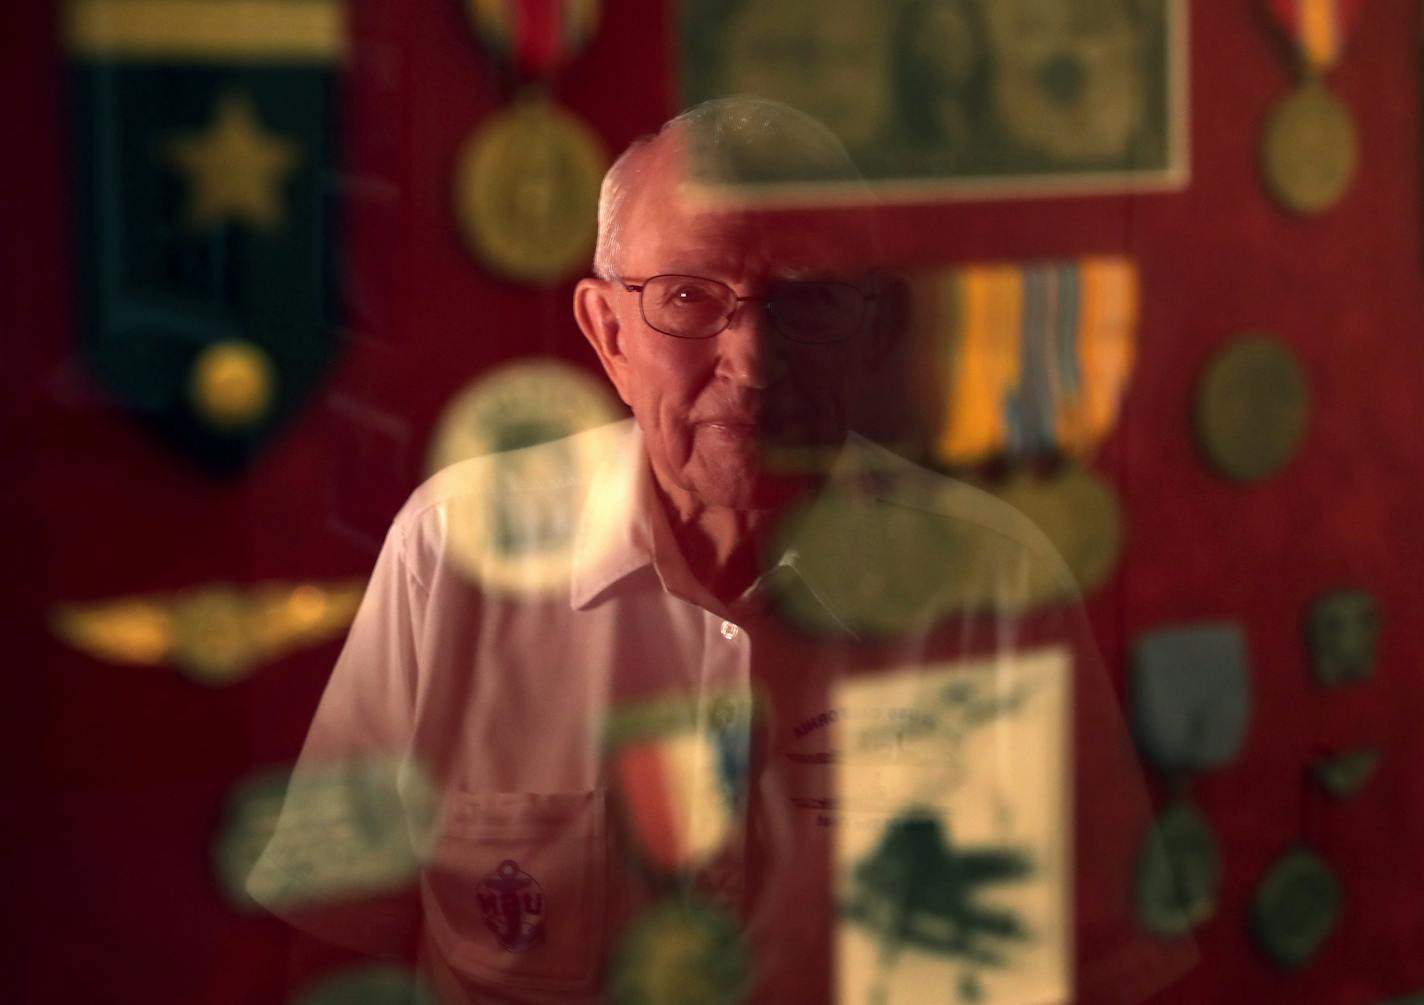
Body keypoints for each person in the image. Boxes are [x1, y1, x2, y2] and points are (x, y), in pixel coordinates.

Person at [249, 98, 1192, 1004]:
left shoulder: (999, 587)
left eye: (807, 305)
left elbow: (1107, 973)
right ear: (607, 332)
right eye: (691, 298)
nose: (753, 363)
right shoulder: (452, 552)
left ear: (870, 333)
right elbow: (336, 940)